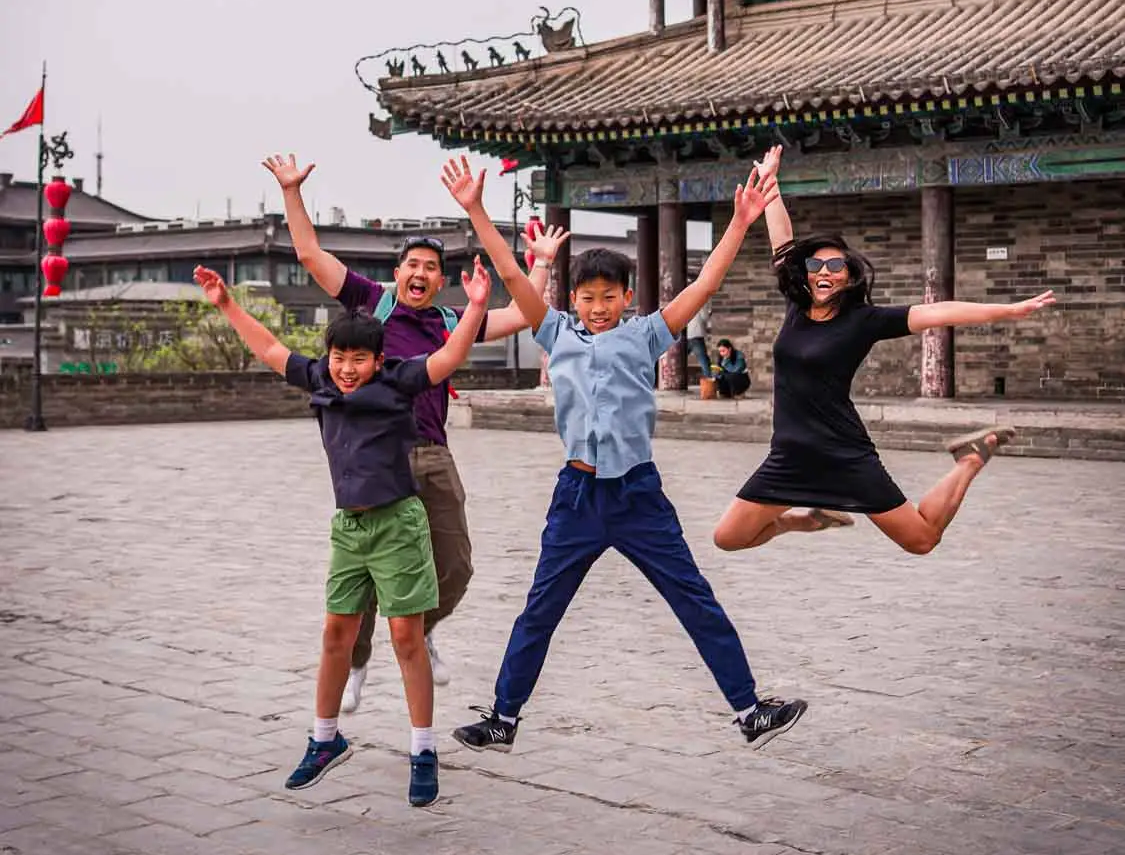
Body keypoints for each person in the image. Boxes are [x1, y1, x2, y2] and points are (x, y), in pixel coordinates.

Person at [439, 154, 808, 755]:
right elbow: (510, 275)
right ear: (573, 298)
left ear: (627, 297)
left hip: (638, 494)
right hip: (578, 497)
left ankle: (750, 710)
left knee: (694, 599)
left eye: (609, 297)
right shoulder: (554, 331)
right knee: (541, 610)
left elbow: (703, 286)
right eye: (587, 297)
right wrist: (477, 209)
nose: (598, 307)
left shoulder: (646, 334)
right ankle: (504, 717)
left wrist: (740, 223)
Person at [263, 154, 565, 710]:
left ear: (440, 279)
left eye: (430, 267)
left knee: (456, 565)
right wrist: (291, 192)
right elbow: (309, 254)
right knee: (371, 577)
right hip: (379, 462)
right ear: (397, 273)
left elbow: (524, 315)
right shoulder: (371, 305)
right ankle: (357, 662)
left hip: (433, 455)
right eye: (412, 265)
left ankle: (422, 627)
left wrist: (540, 264)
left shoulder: (453, 322)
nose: (420, 274)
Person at [192, 255, 492, 807]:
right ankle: (324, 740)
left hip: (399, 524)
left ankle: (422, 751)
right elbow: (269, 349)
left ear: (379, 360)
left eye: (359, 359)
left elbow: (448, 358)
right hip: (349, 528)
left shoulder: (399, 382)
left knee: (405, 637)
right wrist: (227, 304)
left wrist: (474, 308)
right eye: (340, 357)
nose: (347, 368)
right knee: (337, 634)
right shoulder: (321, 380)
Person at [712, 144, 1057, 556]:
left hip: (843, 452)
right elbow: (782, 240)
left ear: (848, 276)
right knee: (728, 537)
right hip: (789, 455)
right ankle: (806, 519)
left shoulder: (865, 320)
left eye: (835, 266)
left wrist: (1008, 310)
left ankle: (970, 458)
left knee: (922, 539)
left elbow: (940, 312)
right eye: (816, 266)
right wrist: (771, 181)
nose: (824, 272)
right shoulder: (796, 307)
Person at [685, 305, 712, 383]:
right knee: (704, 361)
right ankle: (710, 383)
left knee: (679, 361)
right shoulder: (701, 304)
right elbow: (705, 317)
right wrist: (709, 313)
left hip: (684, 336)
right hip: (696, 336)